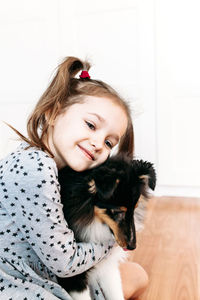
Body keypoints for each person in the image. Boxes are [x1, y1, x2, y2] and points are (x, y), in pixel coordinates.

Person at [0, 56, 148, 299]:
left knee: (137, 275)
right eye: (91, 125)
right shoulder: (35, 168)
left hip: (41, 273)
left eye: (109, 142)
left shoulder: (60, 168)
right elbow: (65, 263)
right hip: (16, 285)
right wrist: (114, 240)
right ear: (52, 112)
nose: (99, 144)